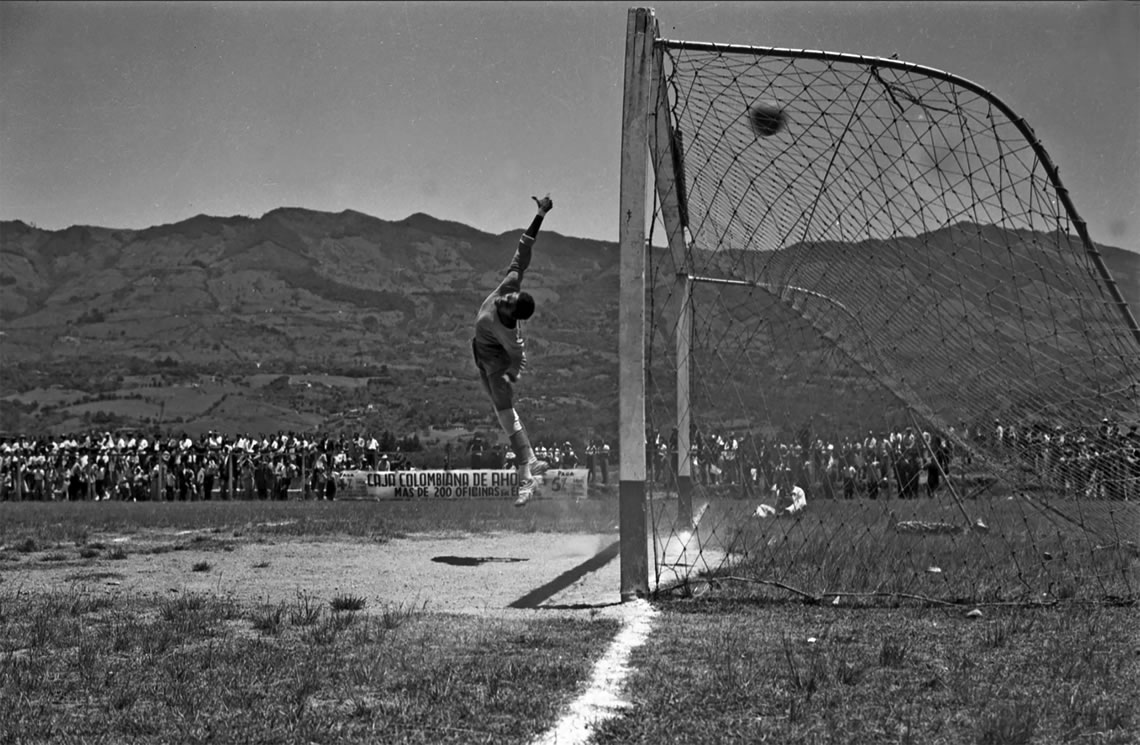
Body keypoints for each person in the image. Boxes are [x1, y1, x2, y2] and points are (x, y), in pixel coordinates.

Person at [472, 193, 554, 506]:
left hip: (496, 361)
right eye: (508, 297)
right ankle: (529, 468)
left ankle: (527, 474)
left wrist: (511, 377)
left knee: (505, 410)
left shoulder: (511, 336)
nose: (504, 298)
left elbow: (520, 360)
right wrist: (540, 215)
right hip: (480, 353)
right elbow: (524, 248)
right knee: (503, 415)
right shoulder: (509, 285)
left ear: (512, 314)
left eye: (508, 303)